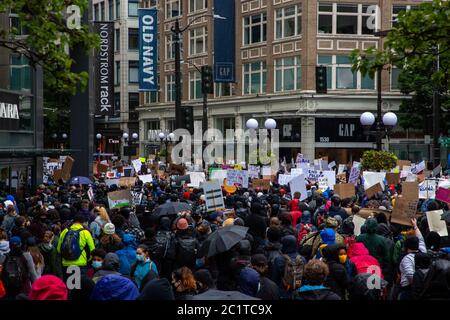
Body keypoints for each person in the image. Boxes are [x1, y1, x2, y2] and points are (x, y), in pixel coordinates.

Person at [57, 214, 95, 278]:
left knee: (68, 286)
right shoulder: (85, 232)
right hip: (81, 264)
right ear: (83, 222)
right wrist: (87, 260)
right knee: (80, 286)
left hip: (66, 264)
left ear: (73, 221)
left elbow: (58, 249)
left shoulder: (65, 231)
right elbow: (92, 250)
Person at [398, 218, 427, 300]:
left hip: (409, 291)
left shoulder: (407, 259)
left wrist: (416, 286)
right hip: (421, 289)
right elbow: (420, 238)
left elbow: (410, 275)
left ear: (406, 246)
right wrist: (415, 226)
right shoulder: (423, 250)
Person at [356, 218, 391, 282]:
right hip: (376, 268)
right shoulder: (382, 240)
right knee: (374, 287)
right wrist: (384, 270)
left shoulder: (359, 238)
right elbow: (386, 257)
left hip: (361, 267)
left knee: (361, 287)